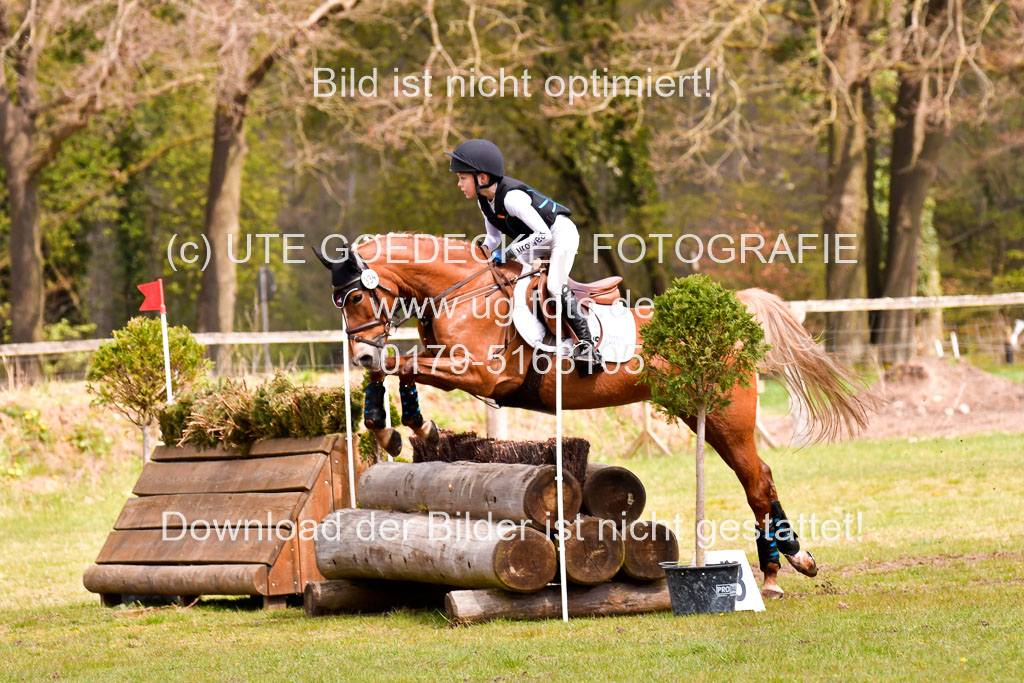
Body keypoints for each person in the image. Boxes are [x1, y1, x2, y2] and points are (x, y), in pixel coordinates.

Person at [446, 138, 602, 374]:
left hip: (559, 234)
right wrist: (473, 257)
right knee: (513, 279)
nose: (459, 184)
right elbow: (493, 240)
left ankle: (587, 345)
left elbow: (544, 235)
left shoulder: (511, 198)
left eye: (462, 178)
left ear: (482, 178)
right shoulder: (484, 202)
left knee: (554, 286)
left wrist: (508, 252)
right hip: (536, 240)